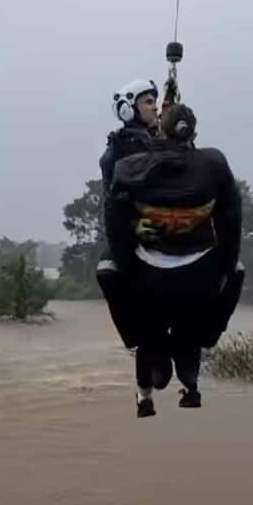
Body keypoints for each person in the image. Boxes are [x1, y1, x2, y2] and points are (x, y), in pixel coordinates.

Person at [105, 104, 244, 418]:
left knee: (109, 272)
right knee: (234, 272)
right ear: (194, 133)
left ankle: (144, 393)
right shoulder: (214, 164)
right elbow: (231, 219)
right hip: (200, 276)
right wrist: (223, 267)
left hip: (147, 277)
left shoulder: (129, 167)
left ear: (159, 131)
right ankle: (197, 369)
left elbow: (113, 217)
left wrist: (128, 262)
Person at [96, 79, 160, 348]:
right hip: (139, 228)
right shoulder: (120, 149)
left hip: (158, 225)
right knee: (108, 269)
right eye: (148, 102)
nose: (155, 108)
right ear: (126, 109)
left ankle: (134, 341)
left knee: (106, 270)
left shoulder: (161, 140)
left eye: (155, 103)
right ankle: (134, 340)